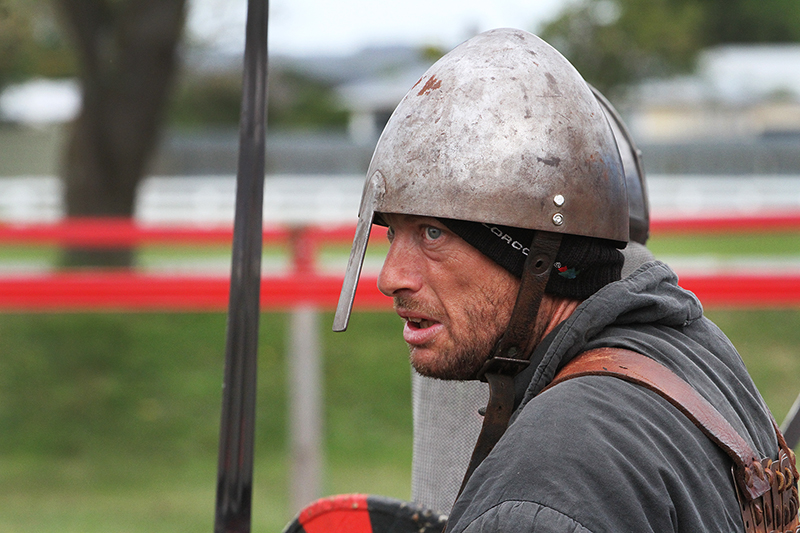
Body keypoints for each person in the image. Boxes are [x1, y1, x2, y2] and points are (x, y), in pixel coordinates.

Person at [332, 28, 798, 532]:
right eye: (391, 234)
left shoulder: (540, 493)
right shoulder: (693, 352)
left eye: (431, 233)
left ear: (534, 255)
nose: (390, 277)